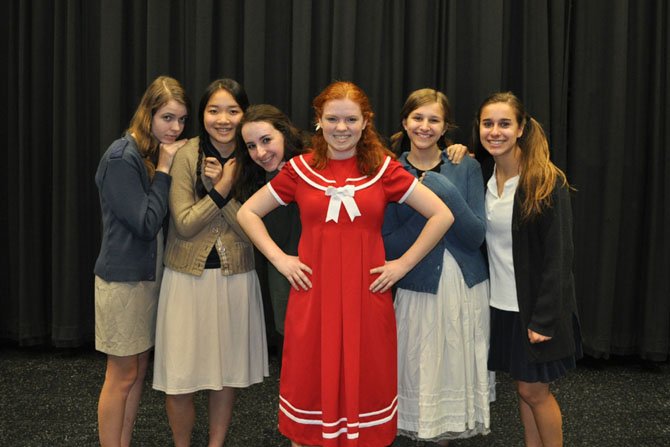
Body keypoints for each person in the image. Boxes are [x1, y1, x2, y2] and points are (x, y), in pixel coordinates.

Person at [237, 81, 454, 447]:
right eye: (333, 118)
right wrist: (279, 259)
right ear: (319, 120)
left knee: (366, 385)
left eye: (351, 119)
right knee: (309, 392)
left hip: (366, 298)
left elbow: (441, 215)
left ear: (365, 121)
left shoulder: (383, 169)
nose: (342, 128)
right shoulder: (300, 170)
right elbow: (248, 213)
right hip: (313, 297)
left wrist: (401, 265)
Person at [152, 79, 269, 446]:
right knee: (180, 376)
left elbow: (254, 231)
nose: (223, 119)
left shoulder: (256, 155)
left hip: (236, 278)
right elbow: (184, 224)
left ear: (244, 114)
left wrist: (227, 186)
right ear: (202, 115)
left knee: (227, 373)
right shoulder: (185, 155)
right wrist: (218, 190)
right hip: (186, 279)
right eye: (214, 110)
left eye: (233, 111)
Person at [382, 88, 490, 445]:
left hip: (464, 285)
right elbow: (388, 244)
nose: (425, 126)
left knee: (453, 372)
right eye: (418, 118)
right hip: (418, 286)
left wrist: (443, 190)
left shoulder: (466, 166)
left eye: (434, 120)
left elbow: (475, 235)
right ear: (404, 122)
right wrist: (431, 215)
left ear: (445, 127)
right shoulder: (390, 171)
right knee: (423, 370)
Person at [474, 91, 581, 447]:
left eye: (505, 123)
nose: (495, 131)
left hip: (534, 311)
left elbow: (559, 257)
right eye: (488, 123)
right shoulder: (485, 176)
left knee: (534, 391)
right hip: (502, 307)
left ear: (521, 128)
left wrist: (544, 319)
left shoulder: (546, 182)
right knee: (524, 390)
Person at [94, 75, 189, 447]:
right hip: (123, 281)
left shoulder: (144, 154)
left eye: (181, 120)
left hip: (147, 278)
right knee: (121, 374)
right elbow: (146, 224)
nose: (175, 128)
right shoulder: (122, 157)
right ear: (147, 113)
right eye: (167, 117)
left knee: (137, 369)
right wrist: (165, 171)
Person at [234, 104, 308, 349]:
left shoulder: (314, 165)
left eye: (266, 140)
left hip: (327, 278)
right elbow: (275, 234)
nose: (260, 152)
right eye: (251, 146)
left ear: (284, 134)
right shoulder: (255, 180)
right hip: (288, 282)